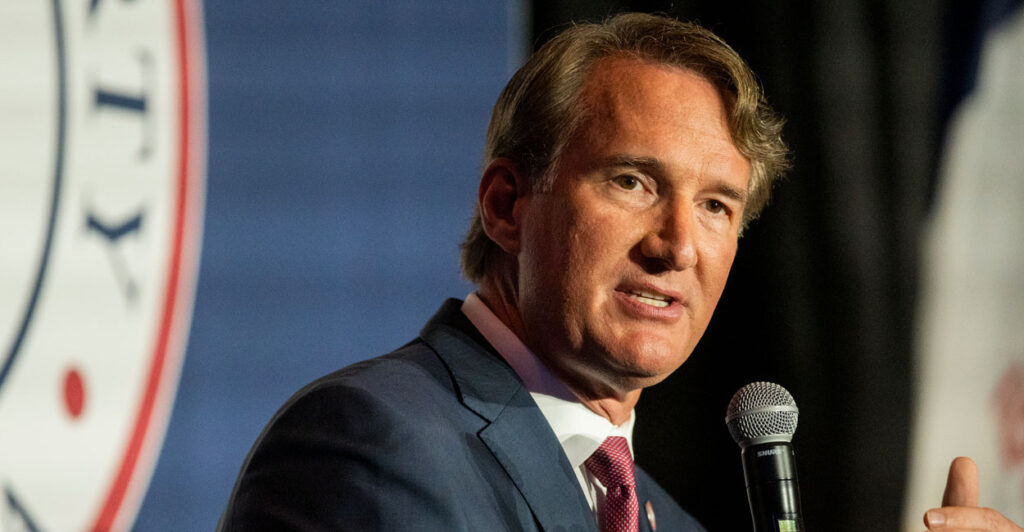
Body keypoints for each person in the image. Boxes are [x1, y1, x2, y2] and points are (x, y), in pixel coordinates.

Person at [218, 12, 1023, 532]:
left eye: (717, 206)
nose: (678, 244)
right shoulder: (374, 445)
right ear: (506, 204)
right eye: (633, 182)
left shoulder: (666, 521)